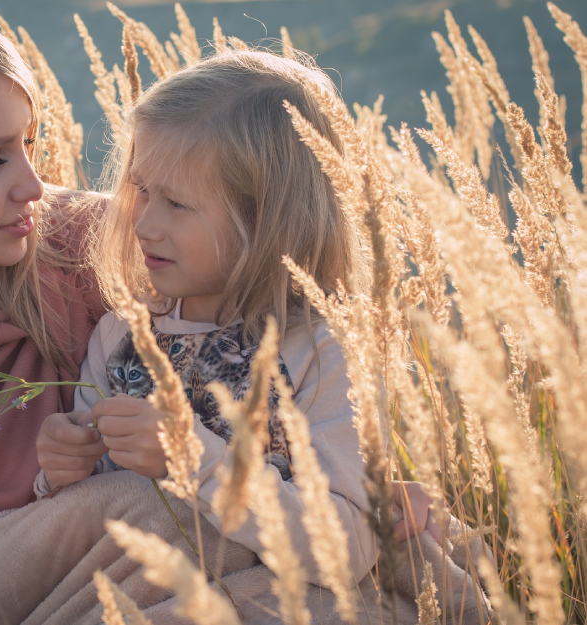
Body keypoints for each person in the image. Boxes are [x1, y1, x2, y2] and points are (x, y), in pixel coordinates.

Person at [0, 1, 479, 623]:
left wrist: (343, 479)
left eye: (30, 145)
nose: (33, 184)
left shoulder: (79, 246)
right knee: (141, 508)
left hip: (121, 533)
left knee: (387, 538)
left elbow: (256, 313)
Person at [35, 49, 487, 620]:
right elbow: (96, 520)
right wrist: (58, 472)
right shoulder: (120, 337)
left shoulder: (321, 354)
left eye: (176, 203)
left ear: (268, 219)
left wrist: (191, 455)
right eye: (141, 189)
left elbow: (345, 548)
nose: (145, 222)